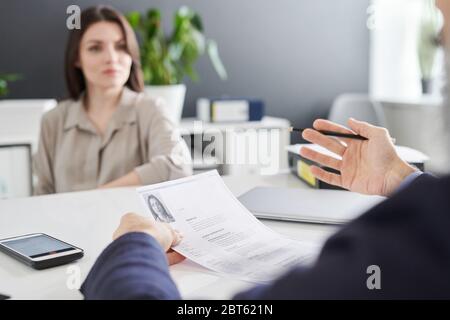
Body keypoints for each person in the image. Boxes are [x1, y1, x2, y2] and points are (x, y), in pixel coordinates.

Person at [80, 2, 450, 299]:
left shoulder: (417, 243)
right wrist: (402, 178)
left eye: (443, 28)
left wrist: (137, 242)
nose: (439, 38)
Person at [33, 5, 192, 195]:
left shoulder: (150, 109)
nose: (111, 58)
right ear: (77, 58)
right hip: (69, 225)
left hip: (133, 225)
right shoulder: (53, 120)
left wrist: (94, 197)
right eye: (95, 48)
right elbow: (42, 197)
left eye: (121, 47)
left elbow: (177, 168)